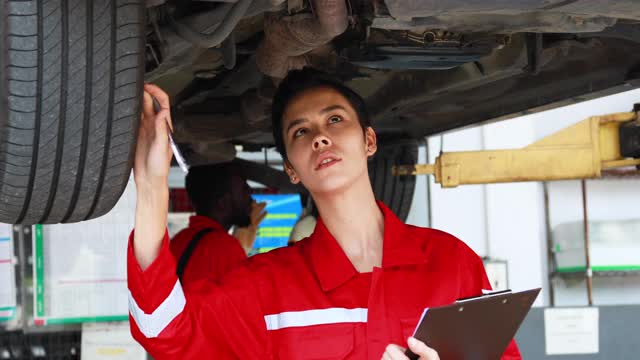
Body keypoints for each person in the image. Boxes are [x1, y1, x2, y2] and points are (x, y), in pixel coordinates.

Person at [128, 69, 522, 359]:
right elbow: (161, 329)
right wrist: (150, 184)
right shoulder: (266, 290)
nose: (320, 136)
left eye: (335, 119)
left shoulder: (452, 264)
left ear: (368, 140)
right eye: (300, 132)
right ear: (292, 170)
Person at [169, 163, 267, 286]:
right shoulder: (225, 247)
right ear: (223, 203)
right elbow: (243, 302)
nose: (250, 195)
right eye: (244, 189)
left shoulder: (178, 241)